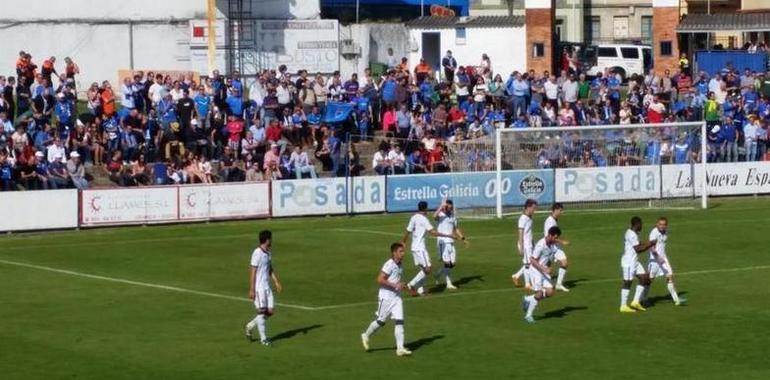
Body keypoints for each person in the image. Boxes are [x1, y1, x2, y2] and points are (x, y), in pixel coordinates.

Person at [360, 242, 412, 357]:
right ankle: (365, 335)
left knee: (400, 321)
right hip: (386, 297)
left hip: (396, 297)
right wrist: (395, 285)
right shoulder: (389, 264)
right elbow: (379, 279)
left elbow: (396, 280)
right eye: (401, 251)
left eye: (403, 251)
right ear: (394, 253)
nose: (403, 253)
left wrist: (401, 285)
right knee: (381, 322)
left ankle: (400, 348)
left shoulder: (400, 264)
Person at [400, 201, 453, 297]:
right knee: (428, 269)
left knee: (423, 269)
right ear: (425, 209)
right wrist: (448, 235)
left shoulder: (413, 217)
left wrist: (403, 242)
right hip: (420, 248)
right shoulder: (424, 219)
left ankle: (421, 290)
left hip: (414, 247)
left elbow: (408, 231)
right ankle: (410, 285)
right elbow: (433, 233)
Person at [245, 230, 283, 346]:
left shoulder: (268, 253)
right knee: (262, 313)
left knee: (270, 311)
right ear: (267, 240)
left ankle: (250, 326)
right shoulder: (257, 253)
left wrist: (276, 282)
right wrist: (252, 289)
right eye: (270, 238)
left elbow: (269, 268)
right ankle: (263, 339)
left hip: (267, 287)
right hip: (259, 288)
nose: (271, 240)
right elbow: (253, 271)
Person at [642, 217, 687, 306]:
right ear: (657, 224)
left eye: (664, 225)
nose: (662, 226)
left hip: (663, 258)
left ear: (666, 225)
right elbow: (651, 247)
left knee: (669, 276)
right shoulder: (654, 233)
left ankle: (676, 300)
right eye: (660, 224)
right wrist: (658, 257)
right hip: (654, 260)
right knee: (650, 280)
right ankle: (644, 299)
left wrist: (662, 257)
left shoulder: (665, 232)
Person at [522, 226, 562, 324]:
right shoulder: (541, 245)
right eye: (555, 237)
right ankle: (528, 315)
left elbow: (548, 258)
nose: (556, 240)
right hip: (535, 270)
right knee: (539, 294)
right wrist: (544, 268)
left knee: (550, 292)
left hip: (543, 271)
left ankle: (528, 299)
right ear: (549, 235)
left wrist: (548, 267)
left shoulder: (553, 244)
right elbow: (532, 260)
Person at [620, 216, 657, 313]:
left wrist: (647, 242)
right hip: (628, 262)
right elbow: (638, 249)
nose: (641, 226)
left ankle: (635, 301)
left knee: (644, 278)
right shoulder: (632, 234)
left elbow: (638, 243)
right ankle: (623, 306)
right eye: (640, 224)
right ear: (637, 224)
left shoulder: (631, 232)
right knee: (627, 282)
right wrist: (650, 245)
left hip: (634, 261)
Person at [433, 199, 468, 290]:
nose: (450, 208)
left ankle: (438, 275)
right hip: (442, 242)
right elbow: (434, 216)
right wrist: (440, 207)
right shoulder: (441, 215)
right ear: (445, 206)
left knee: (452, 263)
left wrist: (463, 239)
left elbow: (456, 229)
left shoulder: (453, 216)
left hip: (451, 242)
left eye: (451, 206)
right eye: (448, 206)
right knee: (447, 264)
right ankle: (449, 283)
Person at [544, 203, 570, 292]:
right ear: (554, 210)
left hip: (556, 247)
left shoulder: (554, 220)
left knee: (565, 262)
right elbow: (549, 236)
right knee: (547, 268)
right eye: (560, 210)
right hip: (550, 248)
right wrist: (562, 241)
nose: (561, 212)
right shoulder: (550, 221)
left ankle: (558, 284)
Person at [512, 199, 537, 289]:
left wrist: (533, 242)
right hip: (525, 245)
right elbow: (520, 233)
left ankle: (516, 276)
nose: (535, 210)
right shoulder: (522, 218)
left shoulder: (529, 217)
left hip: (529, 244)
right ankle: (527, 284)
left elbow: (529, 232)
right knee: (528, 265)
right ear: (528, 207)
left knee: (530, 263)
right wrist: (521, 247)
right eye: (534, 208)